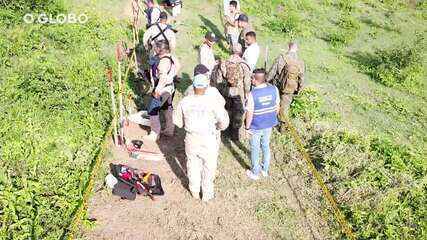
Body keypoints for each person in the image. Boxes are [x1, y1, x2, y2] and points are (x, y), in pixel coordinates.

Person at [173, 74, 229, 202]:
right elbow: (224, 122)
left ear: (193, 86)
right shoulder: (213, 102)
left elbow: (177, 122)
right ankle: (207, 194)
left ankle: (194, 190)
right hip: (208, 138)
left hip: (191, 137)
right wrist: (218, 127)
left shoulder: (185, 101)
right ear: (206, 86)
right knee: (209, 166)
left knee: (192, 163)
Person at [245, 69, 280, 180]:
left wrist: (247, 127)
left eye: (252, 78)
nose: (251, 79)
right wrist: (271, 117)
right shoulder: (274, 89)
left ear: (256, 80)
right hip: (269, 124)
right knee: (265, 145)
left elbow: (249, 113)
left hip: (256, 126)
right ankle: (265, 170)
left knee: (255, 148)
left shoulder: (252, 94)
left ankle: (255, 172)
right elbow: (277, 106)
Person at [213, 44, 252, 141]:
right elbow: (247, 81)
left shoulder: (224, 62)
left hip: (226, 91)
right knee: (238, 112)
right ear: (240, 51)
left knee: (226, 110)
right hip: (239, 92)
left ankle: (225, 131)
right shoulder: (244, 64)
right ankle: (235, 134)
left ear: (230, 50)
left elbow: (218, 79)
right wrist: (247, 93)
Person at [146, 40, 181, 141]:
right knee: (167, 108)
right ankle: (169, 130)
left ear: (159, 49)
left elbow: (163, 78)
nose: (154, 49)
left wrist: (157, 90)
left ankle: (155, 133)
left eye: (156, 47)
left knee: (153, 109)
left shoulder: (162, 62)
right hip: (170, 88)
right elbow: (178, 66)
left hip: (163, 89)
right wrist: (172, 75)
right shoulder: (171, 56)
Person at [266, 42, 305, 124]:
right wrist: (299, 90)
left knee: (273, 104)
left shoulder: (281, 58)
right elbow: (301, 78)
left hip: (277, 86)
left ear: (288, 47)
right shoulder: (300, 62)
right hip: (289, 88)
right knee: (285, 107)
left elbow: (272, 72)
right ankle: (282, 128)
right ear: (297, 49)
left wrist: (266, 81)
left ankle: (270, 122)